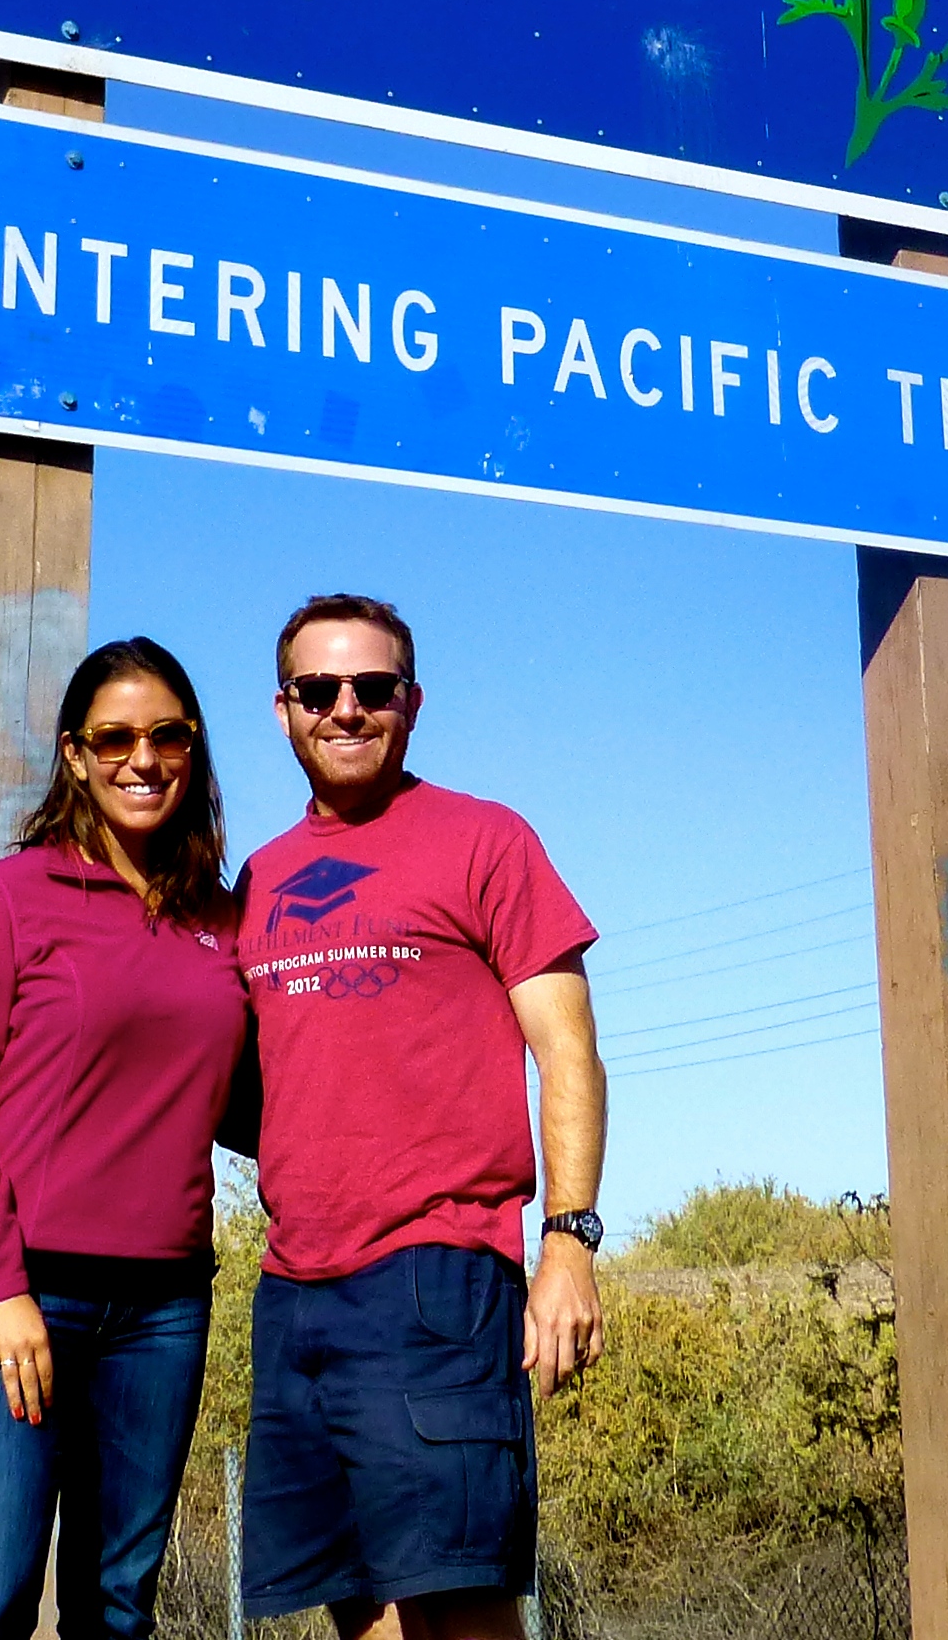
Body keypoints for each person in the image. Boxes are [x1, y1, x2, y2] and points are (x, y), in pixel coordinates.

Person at [235, 591, 608, 1640]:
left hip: (434, 1274)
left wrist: (568, 1242)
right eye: (319, 688)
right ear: (283, 708)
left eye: (373, 686)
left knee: (459, 1605)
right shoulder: (257, 878)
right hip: (292, 1287)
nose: (345, 707)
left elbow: (568, 1051)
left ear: (412, 699)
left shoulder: (484, 839)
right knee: (359, 1612)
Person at [0, 636, 251, 1640]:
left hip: (163, 1307)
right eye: (115, 738)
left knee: (115, 1606)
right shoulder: (9, 897)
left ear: (193, 747)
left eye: (168, 735)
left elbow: (248, 1102)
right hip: (17, 1291)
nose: (143, 758)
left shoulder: (220, 918)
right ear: (74, 754)